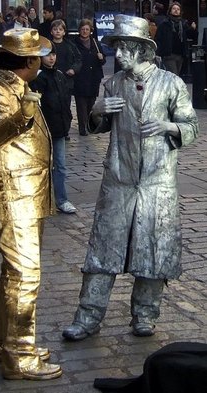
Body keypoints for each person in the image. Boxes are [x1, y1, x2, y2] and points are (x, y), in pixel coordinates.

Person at [62, 14, 199, 341]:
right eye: (117, 48)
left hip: (157, 183)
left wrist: (171, 127)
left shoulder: (171, 83)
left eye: (124, 48)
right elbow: (99, 125)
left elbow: (191, 126)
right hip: (118, 181)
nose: (118, 55)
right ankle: (88, 317)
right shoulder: (112, 83)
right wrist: (97, 110)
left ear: (142, 50)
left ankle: (145, 315)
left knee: (153, 251)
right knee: (102, 251)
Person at [0, 28, 62, 380]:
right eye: (38, 56)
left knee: (14, 274)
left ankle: (7, 344)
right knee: (25, 275)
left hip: (28, 192)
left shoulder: (16, 86)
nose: (41, 60)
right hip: (12, 195)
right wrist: (23, 114)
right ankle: (20, 356)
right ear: (27, 62)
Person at [30, 42, 76, 214]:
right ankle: (41, 199)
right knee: (43, 166)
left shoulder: (59, 75)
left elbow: (65, 100)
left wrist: (68, 120)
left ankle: (61, 199)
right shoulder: (38, 78)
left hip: (59, 128)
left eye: (53, 54)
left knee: (61, 166)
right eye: (47, 55)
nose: (51, 58)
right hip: (44, 129)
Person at [50, 18, 82, 140]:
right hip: (51, 79)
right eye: (55, 29)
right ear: (51, 31)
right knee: (52, 105)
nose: (57, 31)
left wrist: (74, 69)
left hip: (66, 81)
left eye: (60, 29)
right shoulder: (48, 45)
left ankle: (65, 130)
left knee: (65, 106)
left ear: (64, 32)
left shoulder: (70, 45)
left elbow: (78, 59)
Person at [73, 18, 105, 136]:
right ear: (79, 30)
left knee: (91, 103)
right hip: (80, 78)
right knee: (81, 104)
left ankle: (88, 125)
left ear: (90, 30)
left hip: (93, 78)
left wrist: (101, 58)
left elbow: (103, 61)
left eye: (87, 29)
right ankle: (82, 127)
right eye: (83, 29)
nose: (85, 31)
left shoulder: (95, 43)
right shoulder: (74, 44)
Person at [155, 1, 198, 76]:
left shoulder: (183, 23)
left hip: (180, 55)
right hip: (169, 54)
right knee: (174, 75)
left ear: (180, 12)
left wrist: (193, 29)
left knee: (175, 76)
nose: (176, 10)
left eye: (178, 9)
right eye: (174, 8)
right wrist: (159, 52)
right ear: (170, 11)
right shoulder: (165, 23)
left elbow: (190, 36)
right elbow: (158, 38)